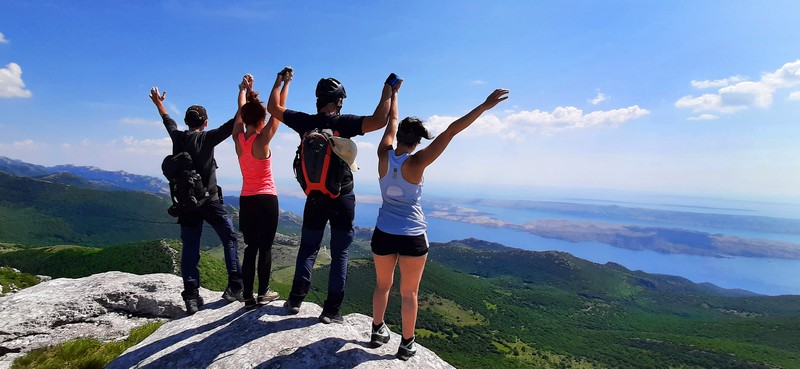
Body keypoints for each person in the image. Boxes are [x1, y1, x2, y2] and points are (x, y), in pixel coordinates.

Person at [369, 87, 509, 360]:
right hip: (412, 235)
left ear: (399, 137)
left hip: (383, 232)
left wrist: (394, 95)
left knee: (382, 285)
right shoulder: (418, 161)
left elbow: (392, 120)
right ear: (417, 142)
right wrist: (483, 106)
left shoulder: (383, 155)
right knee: (409, 293)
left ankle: (377, 331)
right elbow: (451, 131)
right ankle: (406, 344)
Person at [267, 69, 400, 324]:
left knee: (308, 248)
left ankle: (295, 300)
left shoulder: (304, 122)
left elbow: (273, 107)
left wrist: (280, 81)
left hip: (314, 197)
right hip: (342, 197)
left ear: (318, 100)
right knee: (340, 254)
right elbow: (379, 120)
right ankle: (331, 311)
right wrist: (389, 89)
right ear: (339, 100)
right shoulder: (344, 123)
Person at [149, 85, 245, 315]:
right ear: (206, 122)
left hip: (185, 204)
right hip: (209, 201)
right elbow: (236, 120)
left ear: (186, 121)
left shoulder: (178, 137)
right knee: (229, 239)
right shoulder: (208, 138)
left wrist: (159, 103)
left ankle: (191, 297)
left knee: (190, 249)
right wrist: (245, 95)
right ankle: (235, 287)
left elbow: (168, 121)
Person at [232, 70, 292, 309]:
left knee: (250, 248)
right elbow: (279, 110)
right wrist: (283, 83)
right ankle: (263, 292)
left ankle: (247, 295)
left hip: (246, 199)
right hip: (266, 198)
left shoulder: (238, 138)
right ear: (261, 120)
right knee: (265, 247)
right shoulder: (262, 140)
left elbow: (241, 111)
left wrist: (243, 90)